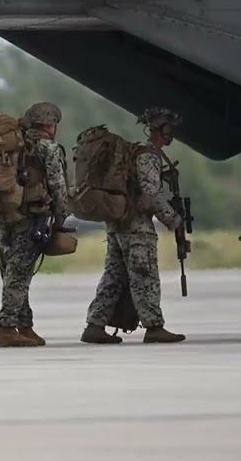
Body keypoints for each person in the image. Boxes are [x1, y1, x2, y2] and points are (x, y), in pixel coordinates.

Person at [81, 107, 187, 344]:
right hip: (136, 227)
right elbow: (152, 193)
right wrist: (173, 220)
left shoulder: (134, 152)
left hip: (118, 225)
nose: (172, 136)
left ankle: (95, 325)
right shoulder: (148, 156)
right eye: (169, 130)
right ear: (164, 130)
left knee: (114, 276)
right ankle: (154, 327)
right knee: (145, 275)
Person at [0, 101, 69, 348]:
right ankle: (6, 328)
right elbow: (57, 185)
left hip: (5, 217)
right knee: (19, 274)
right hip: (30, 218)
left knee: (12, 270)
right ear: (50, 124)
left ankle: (25, 326)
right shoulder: (48, 149)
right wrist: (61, 216)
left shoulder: (14, 146)